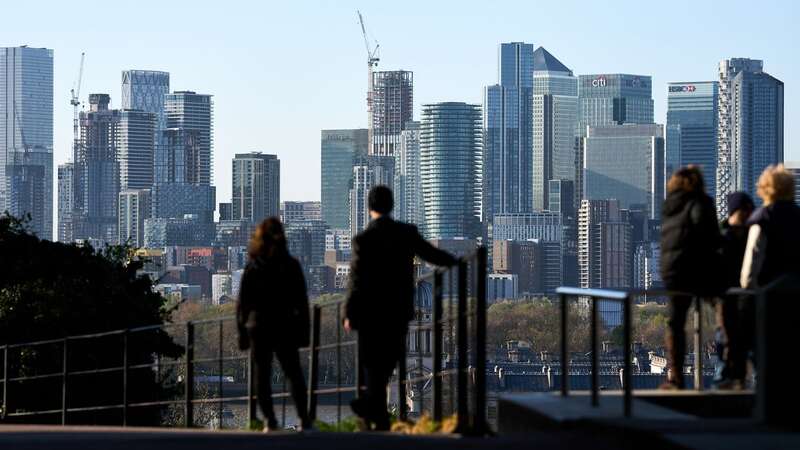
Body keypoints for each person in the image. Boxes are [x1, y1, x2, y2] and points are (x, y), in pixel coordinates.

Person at [344, 185, 458, 431]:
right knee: (386, 366)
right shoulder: (406, 233)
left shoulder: (363, 239)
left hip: (370, 315)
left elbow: (355, 280)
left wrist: (349, 314)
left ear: (370, 208)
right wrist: (455, 261)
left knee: (372, 364)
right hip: (397, 313)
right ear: (391, 205)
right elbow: (432, 254)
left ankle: (371, 409)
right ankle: (378, 414)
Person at [237, 218, 312, 432]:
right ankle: (304, 419)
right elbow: (302, 302)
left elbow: (243, 303)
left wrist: (242, 332)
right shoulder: (291, 265)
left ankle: (270, 420)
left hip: (258, 326)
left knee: (262, 376)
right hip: (285, 324)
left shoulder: (253, 266)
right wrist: (305, 331)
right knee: (294, 373)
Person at [660, 166, 723, 389]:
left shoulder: (669, 205)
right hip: (695, 270)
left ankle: (675, 376)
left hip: (672, 273)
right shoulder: (701, 202)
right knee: (723, 307)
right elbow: (709, 236)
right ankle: (730, 367)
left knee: (675, 323)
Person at [716, 192, 754, 389]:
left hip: (745, 298)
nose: (749, 214)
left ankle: (732, 380)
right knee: (726, 341)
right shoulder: (722, 236)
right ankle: (728, 380)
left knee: (737, 342)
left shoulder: (751, 233)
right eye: (745, 210)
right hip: (729, 298)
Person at [741, 164, 800, 289]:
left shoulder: (763, 218)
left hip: (768, 292)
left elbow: (754, 256)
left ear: (764, 188)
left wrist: (748, 286)